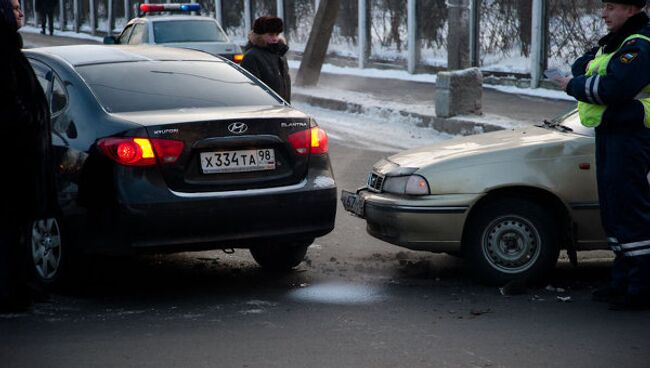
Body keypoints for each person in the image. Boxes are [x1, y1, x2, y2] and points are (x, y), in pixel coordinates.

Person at [555, 0, 650, 310]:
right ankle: (622, 281)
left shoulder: (640, 45)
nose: (603, 13)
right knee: (613, 210)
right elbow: (582, 65)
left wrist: (573, 86)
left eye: (611, 7)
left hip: (632, 135)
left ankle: (641, 289)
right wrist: (581, 80)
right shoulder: (613, 45)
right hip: (611, 133)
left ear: (632, 9)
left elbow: (612, 88)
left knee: (630, 211)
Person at [0, 0, 54, 312]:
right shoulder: (4, 52)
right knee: (9, 228)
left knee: (17, 228)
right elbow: (6, 102)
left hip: (18, 159)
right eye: (15, 7)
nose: (21, 13)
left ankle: (19, 286)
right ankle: (10, 291)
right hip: (11, 161)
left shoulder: (10, 49)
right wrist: (28, 120)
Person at [240, 15, 291, 103]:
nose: (275, 38)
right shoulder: (252, 57)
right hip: (265, 110)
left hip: (282, 110)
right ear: (259, 36)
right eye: (270, 35)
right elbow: (250, 91)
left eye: (277, 34)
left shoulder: (280, 54)